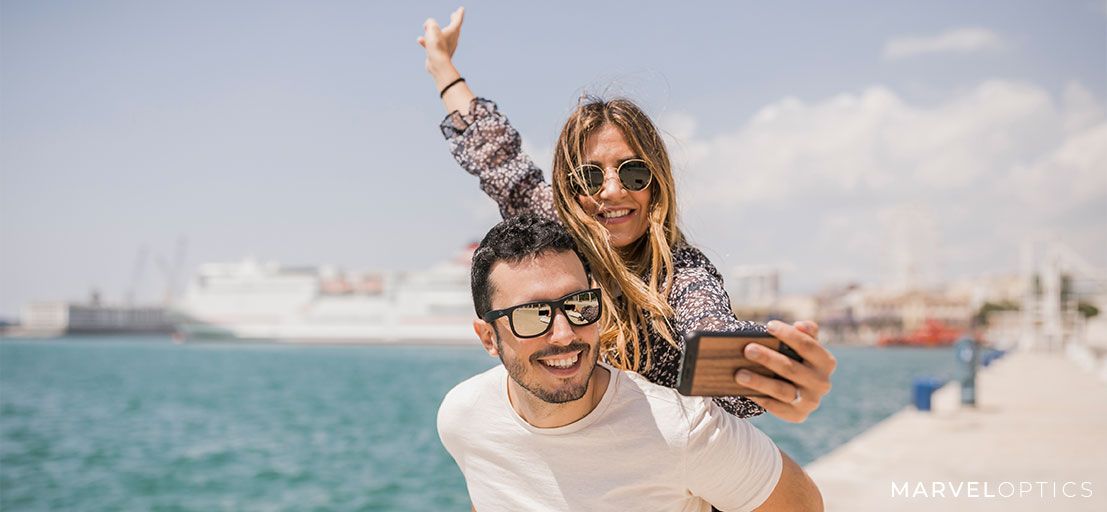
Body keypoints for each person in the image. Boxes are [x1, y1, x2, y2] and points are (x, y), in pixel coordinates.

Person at [418, 8, 835, 422]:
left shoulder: (679, 271)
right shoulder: (557, 230)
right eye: (590, 176)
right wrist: (442, 65)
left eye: (634, 172)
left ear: (656, 184)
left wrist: (785, 378)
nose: (613, 190)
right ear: (568, 187)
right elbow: (494, 154)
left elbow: (708, 328)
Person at [438, 215, 823, 511]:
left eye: (578, 306)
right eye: (531, 316)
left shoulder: (680, 427)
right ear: (489, 337)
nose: (564, 334)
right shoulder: (463, 416)